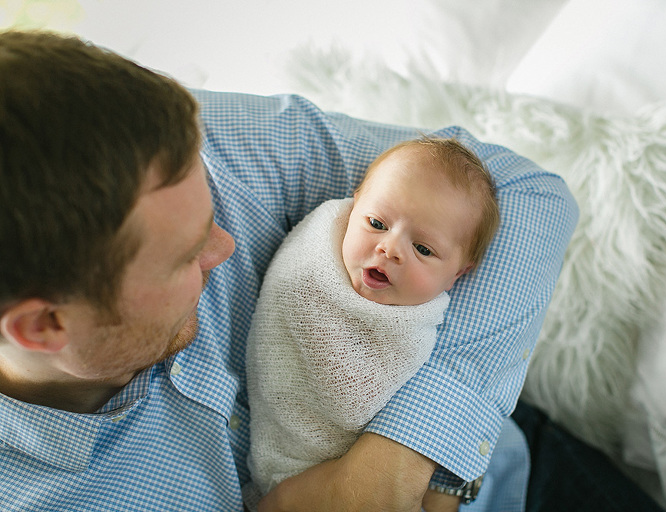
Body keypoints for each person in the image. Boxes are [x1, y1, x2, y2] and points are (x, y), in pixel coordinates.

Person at [0, 30, 583, 511]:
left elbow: (524, 193)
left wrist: (395, 460)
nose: (225, 246)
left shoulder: (186, 142)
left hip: (508, 463)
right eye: (184, 256)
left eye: (208, 214)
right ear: (44, 325)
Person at [246, 137, 499, 506]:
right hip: (300, 473)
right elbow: (350, 403)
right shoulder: (311, 264)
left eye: (423, 249)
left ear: (457, 276)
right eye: (377, 222)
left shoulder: (431, 317)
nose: (389, 248)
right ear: (354, 206)